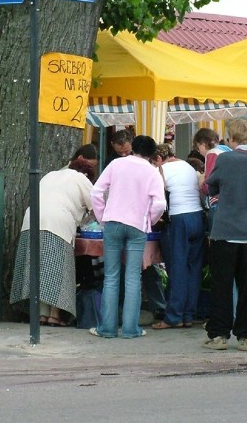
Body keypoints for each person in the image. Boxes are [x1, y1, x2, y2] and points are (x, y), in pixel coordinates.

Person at [202, 119, 247, 353]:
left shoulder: (224, 159)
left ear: (230, 139)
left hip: (225, 230)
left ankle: (219, 335)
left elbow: (211, 187)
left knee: (221, 285)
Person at [89, 135, 166, 339]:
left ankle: (107, 328)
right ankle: (131, 329)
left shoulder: (116, 164)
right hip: (137, 226)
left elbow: (96, 191)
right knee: (133, 277)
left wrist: (102, 216)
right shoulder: (152, 172)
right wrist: (148, 220)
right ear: (151, 154)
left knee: (111, 277)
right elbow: (160, 204)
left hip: (113, 222)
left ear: (133, 148)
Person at [9, 157, 96, 326]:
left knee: (38, 270)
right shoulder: (82, 179)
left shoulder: (50, 175)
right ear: (86, 174)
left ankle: (41, 314)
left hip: (31, 221)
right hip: (58, 222)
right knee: (58, 271)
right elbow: (97, 206)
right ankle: (54, 316)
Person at [151, 142, 205, 330]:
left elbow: (157, 198)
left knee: (177, 269)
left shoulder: (162, 170)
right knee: (193, 269)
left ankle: (173, 316)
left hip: (178, 219)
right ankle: (188, 315)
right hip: (197, 217)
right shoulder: (188, 166)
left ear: (158, 158)